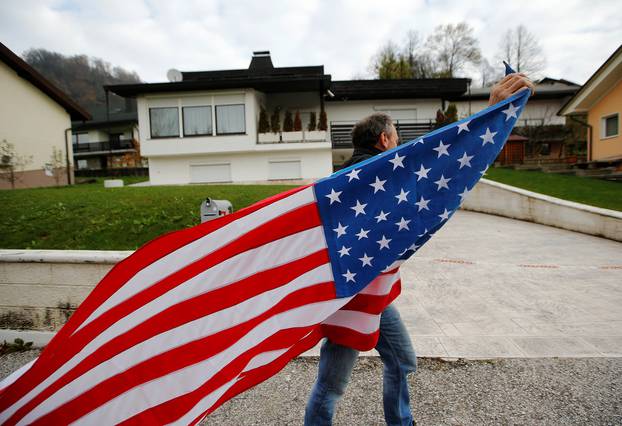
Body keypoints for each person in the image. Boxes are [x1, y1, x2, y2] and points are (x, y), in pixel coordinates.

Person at [304, 72, 535, 426]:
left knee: (401, 360)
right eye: (396, 137)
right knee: (332, 384)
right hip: (352, 299)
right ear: (384, 140)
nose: (400, 144)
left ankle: (401, 421)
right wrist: (491, 114)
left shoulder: (345, 178)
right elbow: (438, 165)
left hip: (375, 294)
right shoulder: (376, 174)